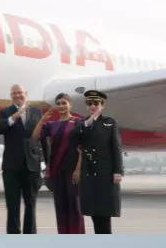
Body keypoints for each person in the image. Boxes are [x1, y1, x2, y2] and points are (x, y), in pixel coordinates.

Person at [0, 84, 44, 234]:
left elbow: (41, 138)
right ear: (11, 96)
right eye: (14, 93)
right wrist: (13, 117)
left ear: (26, 94)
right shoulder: (5, 112)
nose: (17, 95)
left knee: (31, 205)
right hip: (11, 167)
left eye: (20, 93)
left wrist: (43, 163)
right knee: (12, 206)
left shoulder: (36, 112)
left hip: (32, 167)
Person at [33, 93, 85, 233]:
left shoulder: (78, 122)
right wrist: (43, 118)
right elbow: (35, 135)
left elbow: (83, 147)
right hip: (57, 170)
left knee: (75, 206)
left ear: (70, 104)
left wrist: (79, 169)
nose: (61, 106)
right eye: (59, 103)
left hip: (73, 170)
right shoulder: (51, 125)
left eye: (64, 103)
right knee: (60, 206)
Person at [74, 90, 123, 234]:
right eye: (90, 103)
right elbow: (73, 137)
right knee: (94, 214)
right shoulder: (83, 123)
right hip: (88, 174)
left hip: (105, 174)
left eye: (96, 103)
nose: (93, 106)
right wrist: (91, 119)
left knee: (104, 215)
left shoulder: (110, 123)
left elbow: (116, 148)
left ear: (102, 105)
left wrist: (118, 171)